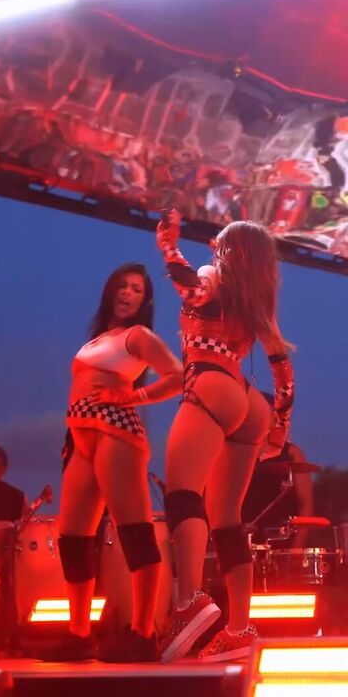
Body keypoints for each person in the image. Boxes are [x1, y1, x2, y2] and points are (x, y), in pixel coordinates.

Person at [156, 210, 294, 662]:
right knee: (228, 520)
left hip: (210, 382)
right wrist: (279, 428)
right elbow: (282, 370)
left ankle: (189, 602)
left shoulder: (212, 276)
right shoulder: (255, 300)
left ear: (230, 250)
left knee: (182, 494)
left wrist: (169, 247)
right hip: (249, 405)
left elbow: (189, 288)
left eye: (221, 239)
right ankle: (239, 629)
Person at [44, 262, 183, 663]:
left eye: (137, 289)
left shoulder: (138, 336)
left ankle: (143, 633)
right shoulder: (99, 339)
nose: (127, 293)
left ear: (145, 300)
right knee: (72, 536)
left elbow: (177, 375)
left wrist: (134, 397)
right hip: (79, 433)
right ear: (110, 290)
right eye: (122, 285)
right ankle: (79, 634)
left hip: (115, 428)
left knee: (134, 528)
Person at [242, 438, 314, 549]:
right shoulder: (240, 452)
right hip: (243, 538)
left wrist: (298, 543)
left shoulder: (291, 452)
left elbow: (306, 504)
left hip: (282, 540)